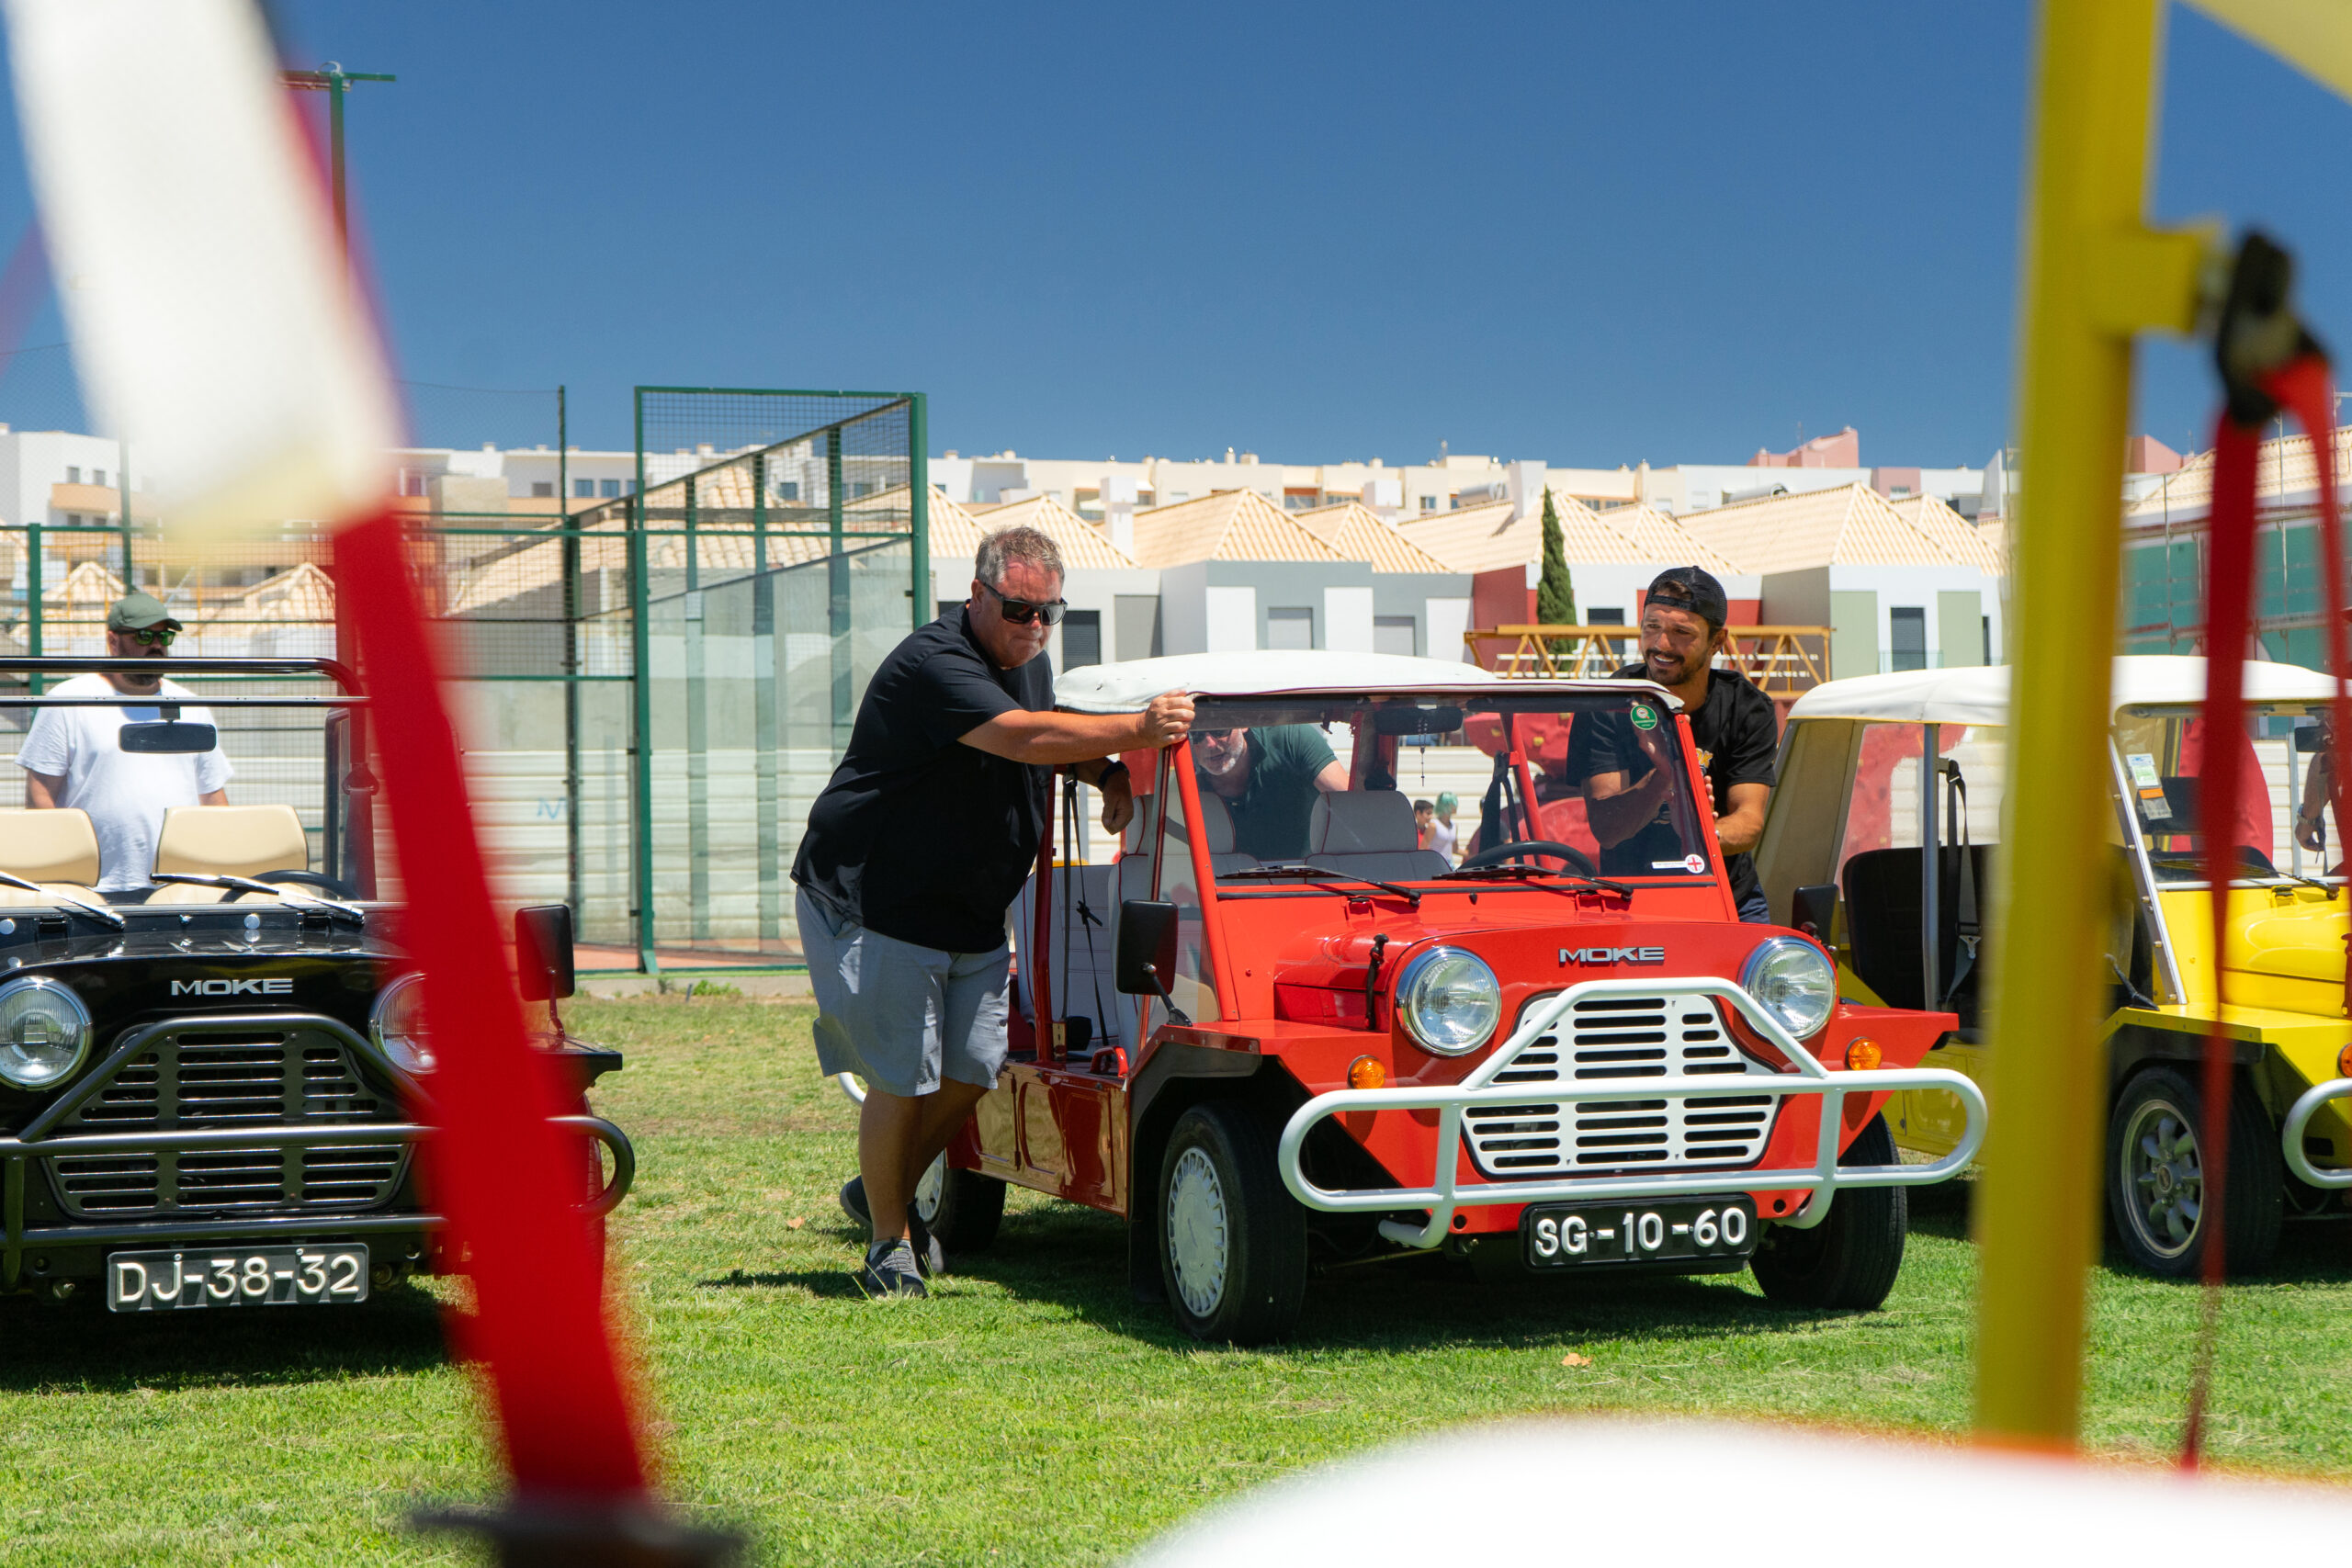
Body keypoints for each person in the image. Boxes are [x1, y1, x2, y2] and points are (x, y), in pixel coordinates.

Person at [794, 525, 1192, 1299]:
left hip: (968, 911)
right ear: (976, 595)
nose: (1035, 627)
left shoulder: (1028, 663)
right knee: (903, 1076)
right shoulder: (936, 663)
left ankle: (883, 1189)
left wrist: (1108, 771)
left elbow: (1053, 733)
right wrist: (1141, 730)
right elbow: (1022, 735)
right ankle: (887, 1244)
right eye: (1018, 610)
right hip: (881, 904)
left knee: (976, 1067)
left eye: (1050, 613)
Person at [1570, 566, 1778, 921]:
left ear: (1717, 641)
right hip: (1629, 900)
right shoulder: (1607, 702)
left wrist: (1699, 830)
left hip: (1729, 898)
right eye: (1652, 627)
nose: (1661, 645)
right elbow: (1608, 830)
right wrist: (1667, 775)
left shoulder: (1747, 707)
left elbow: (1749, 822)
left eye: (1681, 632)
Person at [17, 592, 230, 893]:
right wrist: (59, 875)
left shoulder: (190, 704)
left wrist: (219, 872)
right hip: (92, 888)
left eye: (164, 636)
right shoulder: (68, 701)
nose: (156, 645)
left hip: (179, 886)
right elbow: (40, 795)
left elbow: (212, 796)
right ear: (113, 641)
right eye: (144, 636)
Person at [1190, 724, 1350, 862]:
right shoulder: (1180, 766)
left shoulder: (1290, 739)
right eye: (1196, 735)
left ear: (1243, 723)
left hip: (1312, 882)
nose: (1209, 744)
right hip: (1215, 886)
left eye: (1219, 730)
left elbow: (1353, 810)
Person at [1429, 790, 1460, 863]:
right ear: (1445, 805)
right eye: (1453, 804)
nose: (1456, 806)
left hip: (1449, 864)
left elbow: (1455, 849)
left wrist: (1474, 855)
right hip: (1435, 864)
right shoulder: (1434, 825)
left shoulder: (1454, 826)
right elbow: (1422, 848)